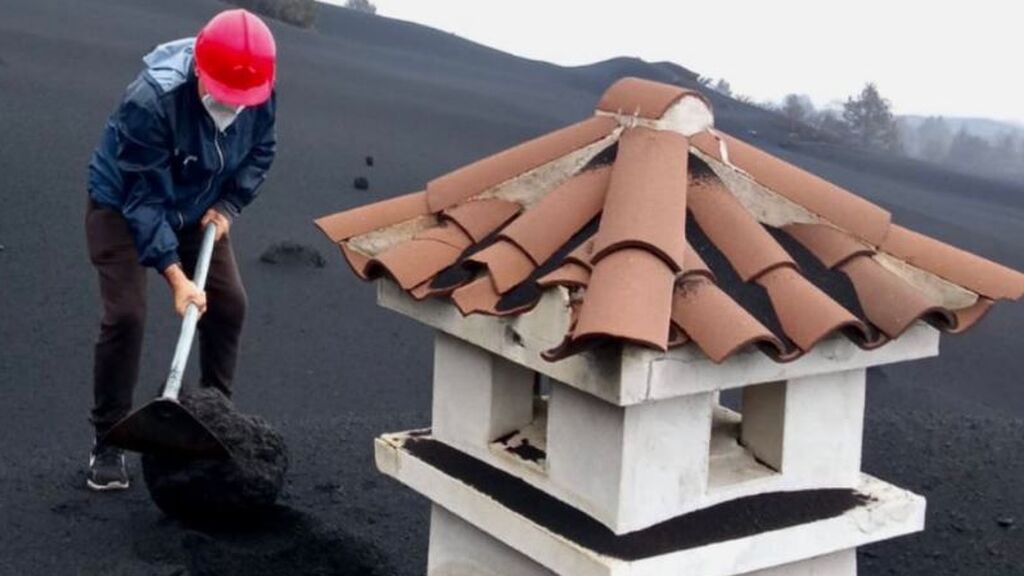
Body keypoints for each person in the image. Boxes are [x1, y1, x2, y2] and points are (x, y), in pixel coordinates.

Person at [84, 9, 277, 491]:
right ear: (201, 74)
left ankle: (212, 419)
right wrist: (176, 277)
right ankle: (107, 441)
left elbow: (261, 149)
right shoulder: (151, 102)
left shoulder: (259, 90)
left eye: (242, 100)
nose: (234, 107)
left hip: (196, 206)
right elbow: (143, 200)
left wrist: (229, 203)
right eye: (224, 97)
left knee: (229, 304)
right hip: (124, 203)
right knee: (126, 315)